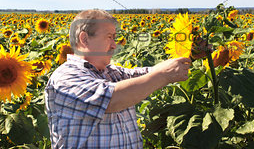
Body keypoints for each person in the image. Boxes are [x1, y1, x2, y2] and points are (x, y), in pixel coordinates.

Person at [45, 9, 191, 148]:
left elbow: (148, 74)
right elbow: (112, 99)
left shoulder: (110, 73)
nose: (114, 45)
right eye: (109, 37)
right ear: (85, 39)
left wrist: (189, 55)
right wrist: (164, 75)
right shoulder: (65, 78)